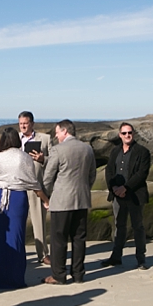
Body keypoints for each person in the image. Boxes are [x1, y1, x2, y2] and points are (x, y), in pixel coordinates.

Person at [0, 127, 50, 289]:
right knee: (17, 237)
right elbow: (33, 183)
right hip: (17, 198)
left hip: (0, 198)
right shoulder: (23, 157)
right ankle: (15, 277)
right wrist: (45, 200)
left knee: (1, 238)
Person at [42, 120, 96, 285]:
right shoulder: (87, 148)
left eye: (57, 132)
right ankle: (78, 274)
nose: (56, 136)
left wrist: (47, 196)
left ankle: (59, 275)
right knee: (79, 238)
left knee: (59, 239)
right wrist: (85, 189)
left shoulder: (58, 150)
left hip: (62, 201)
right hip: (82, 199)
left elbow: (48, 177)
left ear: (65, 131)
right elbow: (92, 175)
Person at [100, 122, 151, 270]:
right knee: (119, 226)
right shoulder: (115, 151)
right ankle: (116, 257)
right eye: (124, 133)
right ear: (119, 135)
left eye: (129, 133)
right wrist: (114, 187)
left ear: (133, 134)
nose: (127, 135)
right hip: (117, 195)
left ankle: (141, 259)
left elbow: (142, 174)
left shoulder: (142, 152)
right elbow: (109, 170)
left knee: (138, 227)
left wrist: (126, 188)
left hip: (134, 195)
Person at [18, 111, 52, 265]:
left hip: (36, 185)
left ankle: (43, 254)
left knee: (39, 222)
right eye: (20, 124)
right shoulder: (15, 139)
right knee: (18, 222)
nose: (23, 126)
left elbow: (54, 161)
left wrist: (42, 158)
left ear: (32, 123)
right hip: (18, 186)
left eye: (25, 123)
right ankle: (18, 255)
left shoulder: (45, 138)